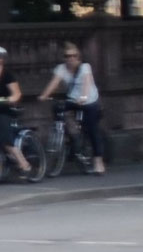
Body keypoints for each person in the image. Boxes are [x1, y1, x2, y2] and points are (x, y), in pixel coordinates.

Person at [38, 42, 107, 174]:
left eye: (73, 56)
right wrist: (44, 95)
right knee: (57, 107)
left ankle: (98, 162)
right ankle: (70, 132)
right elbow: (54, 83)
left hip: (89, 100)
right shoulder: (61, 69)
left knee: (92, 129)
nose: (70, 59)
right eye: (67, 56)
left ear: (78, 57)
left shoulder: (85, 67)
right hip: (73, 100)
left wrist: (84, 97)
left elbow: (87, 82)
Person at [0, 46, 33, 176]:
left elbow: (17, 94)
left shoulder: (7, 75)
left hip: (4, 110)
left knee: (4, 137)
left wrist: (7, 99)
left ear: (1, 59)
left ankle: (24, 164)